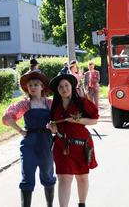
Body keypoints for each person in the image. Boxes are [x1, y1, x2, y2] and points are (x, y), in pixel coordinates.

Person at [2, 70, 56, 207]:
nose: (32, 87)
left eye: (36, 84)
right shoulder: (25, 104)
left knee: (48, 176)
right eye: (30, 85)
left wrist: (54, 128)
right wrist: (20, 130)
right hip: (29, 144)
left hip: (46, 143)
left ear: (42, 86)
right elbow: (8, 116)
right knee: (27, 177)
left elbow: (60, 121)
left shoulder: (50, 104)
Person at [46, 73, 99, 207]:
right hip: (61, 145)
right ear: (57, 90)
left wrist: (77, 120)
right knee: (63, 178)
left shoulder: (81, 102)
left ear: (71, 86)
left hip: (81, 146)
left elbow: (94, 120)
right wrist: (53, 129)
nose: (64, 89)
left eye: (66, 85)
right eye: (60, 87)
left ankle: (82, 204)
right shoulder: (55, 105)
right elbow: (52, 123)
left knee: (82, 177)